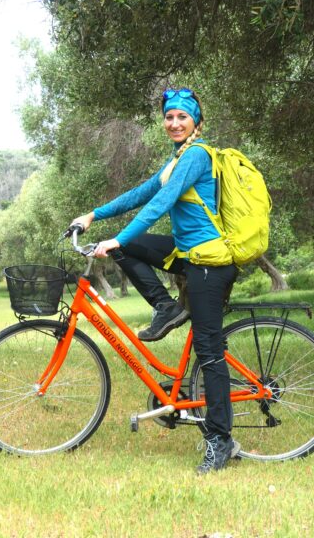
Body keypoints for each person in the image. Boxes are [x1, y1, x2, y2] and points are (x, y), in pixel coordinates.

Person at [69, 88, 239, 474]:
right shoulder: (176, 158)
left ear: (196, 121)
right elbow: (142, 193)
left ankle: (220, 442)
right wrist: (93, 215)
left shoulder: (197, 155)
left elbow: (161, 204)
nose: (174, 123)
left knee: (209, 352)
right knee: (124, 249)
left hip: (208, 263)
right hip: (186, 254)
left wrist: (119, 236)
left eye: (182, 116)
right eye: (169, 117)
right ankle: (166, 308)